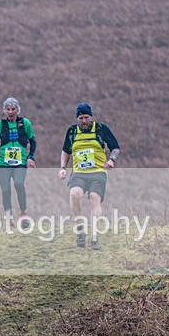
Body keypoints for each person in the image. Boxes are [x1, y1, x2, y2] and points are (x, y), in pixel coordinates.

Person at [58, 102, 120, 250]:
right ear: (77, 118)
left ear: (91, 117)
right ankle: (80, 229)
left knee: (94, 199)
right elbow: (66, 151)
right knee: (74, 194)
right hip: (79, 173)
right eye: (81, 118)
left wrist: (111, 160)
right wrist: (62, 168)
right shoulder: (72, 131)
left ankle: (94, 236)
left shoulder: (101, 129)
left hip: (98, 172)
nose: (84, 121)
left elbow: (115, 147)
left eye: (86, 117)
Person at [0, 97, 37, 229]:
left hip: (20, 162)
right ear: (4, 111)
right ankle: (9, 219)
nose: (11, 112)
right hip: (3, 163)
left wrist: (30, 157)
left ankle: (23, 213)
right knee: (5, 190)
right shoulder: (0, 124)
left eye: (13, 109)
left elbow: (33, 141)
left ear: (17, 110)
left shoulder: (25, 123)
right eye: (8, 109)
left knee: (19, 183)